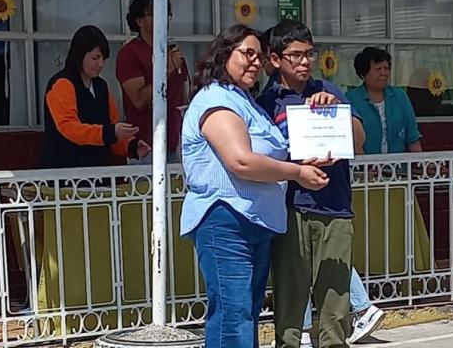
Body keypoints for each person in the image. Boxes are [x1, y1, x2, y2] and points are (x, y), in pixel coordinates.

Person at [180, 24, 331, 348]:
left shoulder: (246, 100)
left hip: (256, 222)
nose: (255, 62)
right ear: (224, 54)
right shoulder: (216, 98)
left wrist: (309, 157)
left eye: (259, 57)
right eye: (247, 53)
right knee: (233, 314)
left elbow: (273, 153)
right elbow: (242, 162)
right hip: (225, 220)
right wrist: (297, 172)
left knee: (246, 311)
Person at [256, 19, 366, 348]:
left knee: (335, 298)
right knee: (290, 295)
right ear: (275, 59)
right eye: (296, 55)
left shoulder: (330, 90)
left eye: (309, 54)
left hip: (335, 205)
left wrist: (338, 112)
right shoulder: (267, 104)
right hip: (290, 208)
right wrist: (297, 167)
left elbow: (359, 141)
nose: (305, 62)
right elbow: (263, 158)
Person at [343, 46, 423, 343]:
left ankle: (404, 282)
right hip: (363, 180)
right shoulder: (351, 99)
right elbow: (352, 141)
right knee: (367, 234)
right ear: (364, 72)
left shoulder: (399, 96)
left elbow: (412, 135)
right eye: (378, 68)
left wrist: (423, 165)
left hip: (397, 176)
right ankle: (368, 283)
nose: (384, 72)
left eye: (387, 67)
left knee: (399, 232)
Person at [42, 25, 149, 169]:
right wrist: (110, 132)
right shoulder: (62, 83)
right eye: (95, 58)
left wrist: (131, 146)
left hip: (98, 172)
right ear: (79, 55)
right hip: (65, 173)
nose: (101, 64)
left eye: (103, 59)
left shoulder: (101, 86)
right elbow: (68, 127)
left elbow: (112, 128)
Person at [116, 0, 190, 162]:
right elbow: (139, 100)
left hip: (176, 143)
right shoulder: (130, 53)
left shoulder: (172, 52)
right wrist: (167, 70)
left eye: (166, 13)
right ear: (139, 21)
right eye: (155, 13)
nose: (162, 18)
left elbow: (184, 93)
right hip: (146, 146)